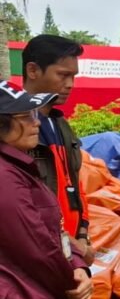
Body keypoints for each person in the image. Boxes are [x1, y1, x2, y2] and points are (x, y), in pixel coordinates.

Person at [0, 80, 93, 299]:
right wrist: (74, 286)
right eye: (25, 116)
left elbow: (55, 232)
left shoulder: (19, 167)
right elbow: (37, 248)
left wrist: (78, 267)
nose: (36, 122)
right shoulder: (5, 178)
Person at [21, 35, 94, 264]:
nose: (70, 84)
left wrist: (83, 235)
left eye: (73, 76)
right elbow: (22, 206)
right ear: (33, 70)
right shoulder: (13, 130)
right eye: (63, 75)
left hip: (68, 252)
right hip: (40, 255)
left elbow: (76, 185)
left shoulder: (61, 125)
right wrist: (73, 248)